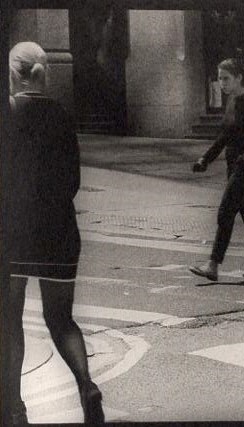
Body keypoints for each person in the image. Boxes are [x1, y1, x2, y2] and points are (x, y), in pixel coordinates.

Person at [2, 42, 105, 425]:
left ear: (14, 73)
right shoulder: (62, 114)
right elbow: (73, 180)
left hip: (14, 234)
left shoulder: (9, 113)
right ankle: (86, 386)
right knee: (61, 320)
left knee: (8, 321)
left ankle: (14, 407)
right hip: (60, 230)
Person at [189, 58, 244, 280]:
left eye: (226, 78)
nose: (222, 83)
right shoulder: (232, 101)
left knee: (225, 212)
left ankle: (213, 265)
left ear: (239, 77)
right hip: (234, 165)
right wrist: (205, 159)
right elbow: (224, 136)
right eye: (219, 78)